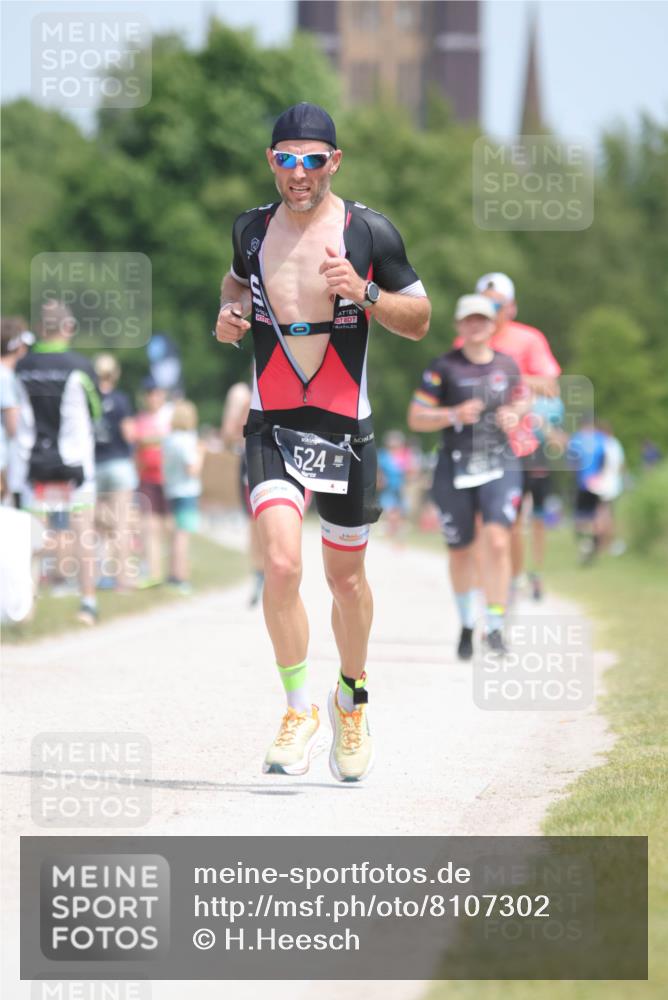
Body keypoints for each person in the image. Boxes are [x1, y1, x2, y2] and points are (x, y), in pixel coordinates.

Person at [214, 102, 430, 782]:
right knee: (281, 565)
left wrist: (365, 292)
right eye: (285, 159)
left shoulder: (369, 231)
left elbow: (420, 318)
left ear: (333, 162)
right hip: (271, 423)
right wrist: (228, 311)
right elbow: (235, 281)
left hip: (345, 428)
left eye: (312, 160)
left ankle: (351, 698)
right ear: (271, 163)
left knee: (347, 581)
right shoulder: (250, 230)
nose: (298, 173)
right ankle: (299, 708)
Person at [408, 294, 524, 659]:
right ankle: (466, 624)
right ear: (459, 325)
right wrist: (454, 414)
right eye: (469, 320)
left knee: (498, 540)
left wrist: (515, 413)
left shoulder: (508, 365)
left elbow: (523, 400)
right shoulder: (443, 367)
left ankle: (494, 625)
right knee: (460, 550)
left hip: (499, 461)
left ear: (494, 325)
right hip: (455, 465)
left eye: (483, 320)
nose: (476, 326)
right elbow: (415, 417)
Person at [457, 273, 562, 601]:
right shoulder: (465, 342)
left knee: (510, 521)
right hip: (476, 442)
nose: (489, 311)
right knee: (476, 521)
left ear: (511, 308)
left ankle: (513, 580)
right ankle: (482, 589)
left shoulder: (528, 340)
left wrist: (506, 377)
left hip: (519, 443)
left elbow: (550, 385)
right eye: (483, 304)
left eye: (497, 304)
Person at [15, 299, 102, 625]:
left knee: (31, 537)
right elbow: (96, 411)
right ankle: (88, 603)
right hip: (74, 466)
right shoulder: (80, 365)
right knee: (83, 532)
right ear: (68, 328)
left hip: (32, 464)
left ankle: (25, 606)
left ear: (40, 329)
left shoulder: (22, 367)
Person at [94, 354, 138, 590]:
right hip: (119, 465)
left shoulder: (89, 398)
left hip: (96, 465)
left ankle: (101, 575)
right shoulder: (120, 399)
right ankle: (124, 581)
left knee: (100, 526)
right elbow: (129, 433)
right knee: (121, 524)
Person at [221, 380, 265, 606]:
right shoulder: (244, 393)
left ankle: (266, 574)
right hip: (253, 460)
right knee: (255, 521)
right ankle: (260, 575)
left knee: (260, 523)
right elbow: (229, 435)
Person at [131, 376, 172, 586]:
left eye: (156, 393)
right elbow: (136, 443)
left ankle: (174, 573)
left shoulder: (170, 415)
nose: (153, 398)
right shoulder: (141, 418)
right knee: (151, 527)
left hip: (169, 478)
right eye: (149, 394)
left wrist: (150, 442)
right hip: (147, 478)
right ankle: (154, 573)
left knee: (170, 527)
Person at [162, 399, 205, 594]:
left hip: (172, 490)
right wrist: (202, 453)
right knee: (182, 535)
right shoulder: (187, 440)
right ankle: (181, 577)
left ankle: (172, 573)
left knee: (174, 534)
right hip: (187, 491)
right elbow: (192, 469)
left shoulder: (169, 439)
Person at [568, 415, 607, 564]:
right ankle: (593, 543)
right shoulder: (600, 439)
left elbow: (572, 462)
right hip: (597, 483)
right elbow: (604, 460)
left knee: (582, 517)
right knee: (597, 514)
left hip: (582, 483)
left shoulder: (576, 439)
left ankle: (586, 545)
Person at [377, 430, 410, 542]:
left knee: (399, 510)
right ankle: (391, 531)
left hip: (400, 486)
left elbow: (408, 470)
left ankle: (394, 532)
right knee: (390, 509)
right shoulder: (383, 455)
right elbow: (378, 469)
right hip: (388, 487)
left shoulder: (403, 455)